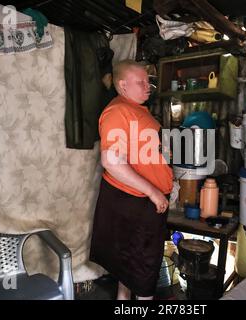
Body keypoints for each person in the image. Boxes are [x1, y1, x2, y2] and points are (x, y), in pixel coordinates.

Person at [89, 59, 173, 300]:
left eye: (149, 82)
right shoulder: (118, 111)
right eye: (142, 82)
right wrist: (153, 191)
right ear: (123, 85)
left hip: (140, 202)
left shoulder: (136, 110)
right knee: (143, 270)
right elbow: (111, 161)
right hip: (134, 202)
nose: (148, 86)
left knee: (130, 270)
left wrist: (168, 183)